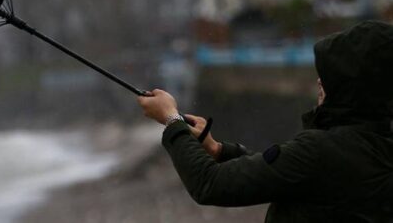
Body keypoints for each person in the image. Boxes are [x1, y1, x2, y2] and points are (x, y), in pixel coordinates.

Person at [137, 20, 393, 222]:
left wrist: (171, 120)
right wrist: (218, 149)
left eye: (328, 76)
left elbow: (210, 184)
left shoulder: (320, 152)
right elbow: (284, 175)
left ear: (350, 87)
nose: (319, 83)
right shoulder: (375, 146)